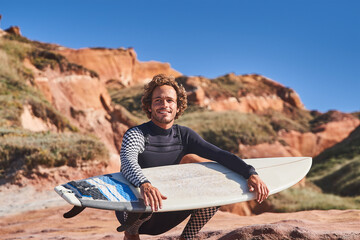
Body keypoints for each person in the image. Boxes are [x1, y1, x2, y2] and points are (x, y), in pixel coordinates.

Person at [116, 74, 269, 240]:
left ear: (177, 105)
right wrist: (144, 184)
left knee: (216, 190)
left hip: (166, 207)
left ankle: (186, 237)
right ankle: (131, 233)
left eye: (169, 100)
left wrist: (250, 173)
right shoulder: (137, 134)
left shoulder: (184, 135)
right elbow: (127, 160)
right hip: (134, 211)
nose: (164, 105)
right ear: (150, 106)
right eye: (158, 100)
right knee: (140, 205)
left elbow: (219, 155)